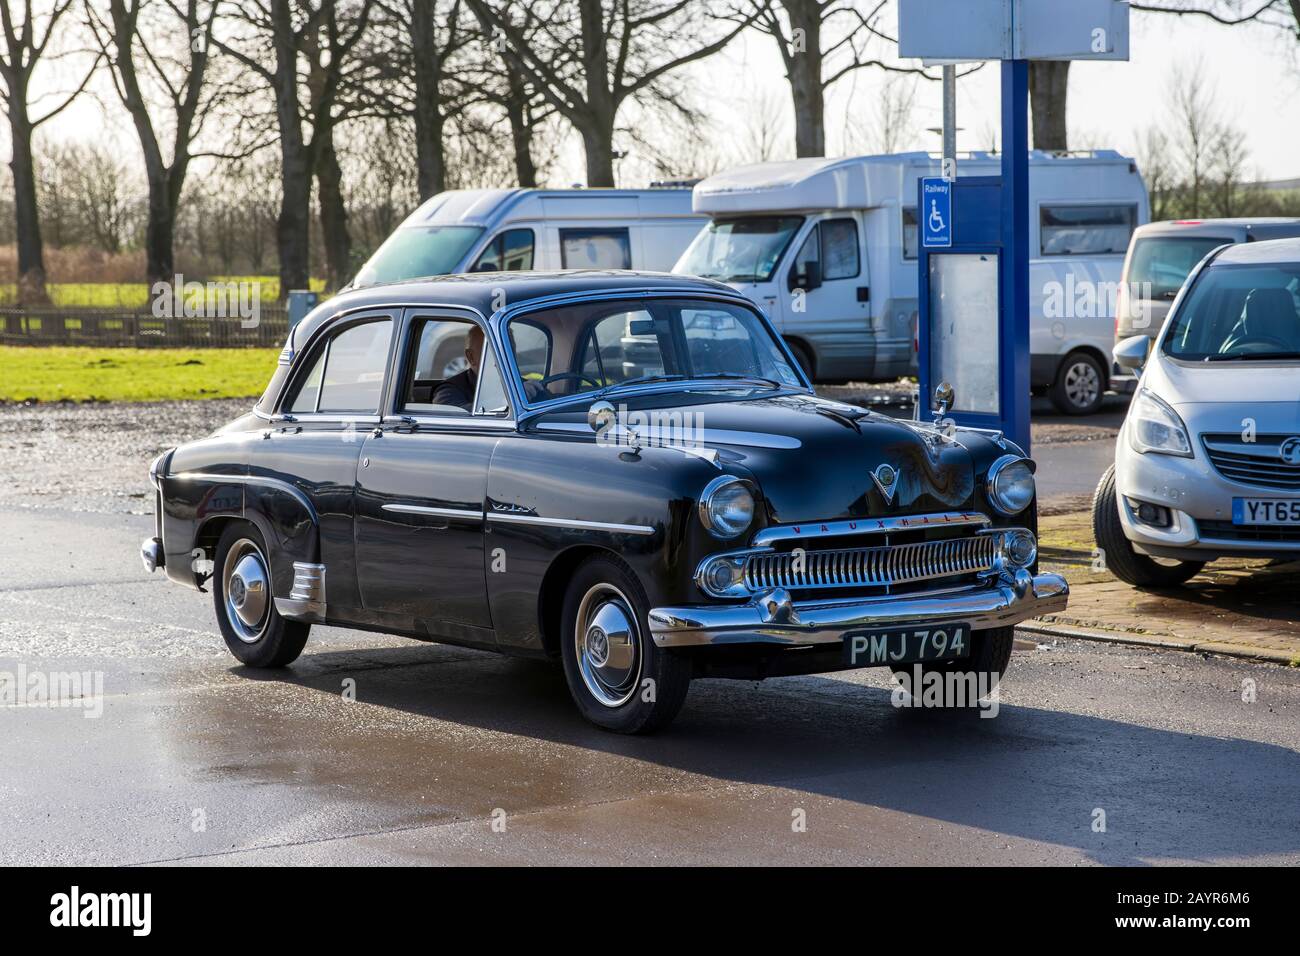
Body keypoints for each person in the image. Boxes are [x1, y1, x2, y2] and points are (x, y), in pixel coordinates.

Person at [433, 325, 483, 410]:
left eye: (511, 349)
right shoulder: (449, 390)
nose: (507, 357)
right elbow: (449, 412)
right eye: (491, 352)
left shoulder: (511, 381)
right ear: (471, 357)